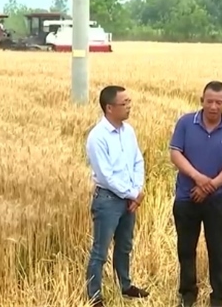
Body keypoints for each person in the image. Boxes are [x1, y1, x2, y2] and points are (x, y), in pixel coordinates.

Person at [169, 81, 222, 307]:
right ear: (201, 101)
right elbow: (176, 154)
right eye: (209, 101)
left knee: (218, 249)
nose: (213, 106)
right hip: (186, 196)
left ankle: (218, 296)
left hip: (218, 199)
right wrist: (198, 178)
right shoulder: (185, 123)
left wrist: (210, 185)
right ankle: (187, 292)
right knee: (186, 248)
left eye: (219, 102)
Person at [84, 85, 150, 307]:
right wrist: (133, 193)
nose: (129, 106)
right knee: (100, 251)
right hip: (108, 200)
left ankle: (125, 285)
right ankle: (95, 296)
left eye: (129, 102)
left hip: (129, 199)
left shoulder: (128, 131)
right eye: (125, 103)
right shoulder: (97, 137)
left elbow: (137, 160)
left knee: (124, 245)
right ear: (109, 108)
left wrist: (137, 190)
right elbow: (106, 176)